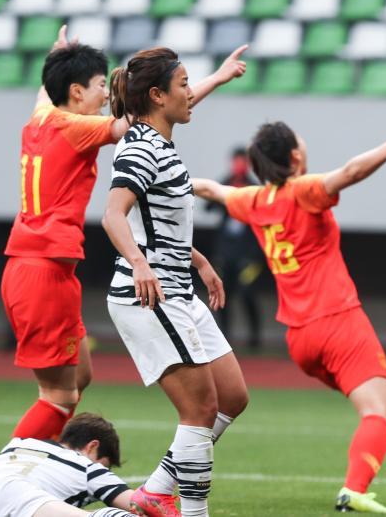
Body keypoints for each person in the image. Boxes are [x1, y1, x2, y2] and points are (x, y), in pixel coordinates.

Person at [0, 27, 247, 446]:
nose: (106, 95)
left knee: (80, 377)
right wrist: (216, 80)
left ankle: (44, 464)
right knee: (59, 397)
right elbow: (148, 118)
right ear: (76, 92)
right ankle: (5, 476)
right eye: (100, 85)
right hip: (42, 271)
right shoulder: (75, 127)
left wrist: (58, 54)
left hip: (41, 267)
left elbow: (46, 92)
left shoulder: (39, 117)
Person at [192, 118, 386, 514]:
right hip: (337, 321)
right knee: (376, 410)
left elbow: (210, 188)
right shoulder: (303, 191)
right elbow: (351, 172)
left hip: (300, 338)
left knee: (379, 409)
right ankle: (353, 490)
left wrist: (164, 179)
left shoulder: (254, 200)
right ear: (295, 156)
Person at [103, 47, 250, 517]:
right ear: (156, 95)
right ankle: (190, 511)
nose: (190, 93)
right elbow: (113, 215)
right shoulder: (142, 149)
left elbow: (158, 227)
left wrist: (198, 260)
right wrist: (139, 263)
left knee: (232, 397)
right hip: (149, 294)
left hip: (178, 287)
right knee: (200, 410)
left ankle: (155, 490)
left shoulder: (158, 138)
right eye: (183, 84)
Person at [0, 413, 164, 517]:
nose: (104, 470)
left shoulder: (19, 443)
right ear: (92, 446)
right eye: (105, 465)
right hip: (24, 499)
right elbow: (142, 505)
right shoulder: (90, 468)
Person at [207, 147, 263, 350]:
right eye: (236, 161)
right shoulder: (225, 183)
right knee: (223, 293)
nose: (239, 165)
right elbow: (208, 207)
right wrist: (228, 192)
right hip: (225, 251)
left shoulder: (254, 187)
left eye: (242, 161)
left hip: (248, 254)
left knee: (247, 293)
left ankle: (255, 337)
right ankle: (224, 336)